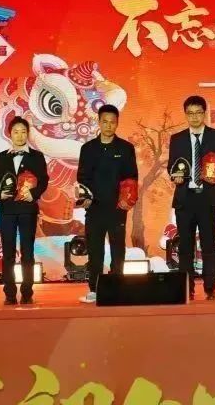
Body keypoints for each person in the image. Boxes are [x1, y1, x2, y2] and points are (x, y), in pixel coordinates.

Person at [168, 95, 215, 301]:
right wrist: (175, 176)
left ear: (205, 113)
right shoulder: (177, 139)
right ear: (185, 115)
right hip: (185, 198)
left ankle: (210, 288)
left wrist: (213, 176)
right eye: (190, 113)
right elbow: (172, 166)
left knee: (208, 244)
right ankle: (187, 288)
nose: (194, 117)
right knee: (185, 246)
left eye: (198, 113)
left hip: (208, 197)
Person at [76, 104, 138, 304]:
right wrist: (85, 198)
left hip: (117, 209)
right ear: (99, 122)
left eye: (113, 122)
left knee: (118, 250)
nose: (109, 125)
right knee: (95, 250)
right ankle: (94, 289)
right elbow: (82, 177)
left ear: (117, 123)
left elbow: (131, 177)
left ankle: (117, 286)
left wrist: (126, 200)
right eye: (105, 121)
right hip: (94, 208)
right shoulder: (88, 149)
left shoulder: (126, 148)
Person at [0, 116, 49, 305]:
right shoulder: (2, 157)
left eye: (23, 131)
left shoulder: (37, 156)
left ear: (28, 134)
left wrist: (34, 194)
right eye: (16, 132)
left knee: (27, 252)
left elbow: (44, 180)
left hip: (27, 210)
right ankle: (9, 293)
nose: (20, 135)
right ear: (10, 134)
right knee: (7, 253)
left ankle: (27, 292)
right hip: (6, 210)